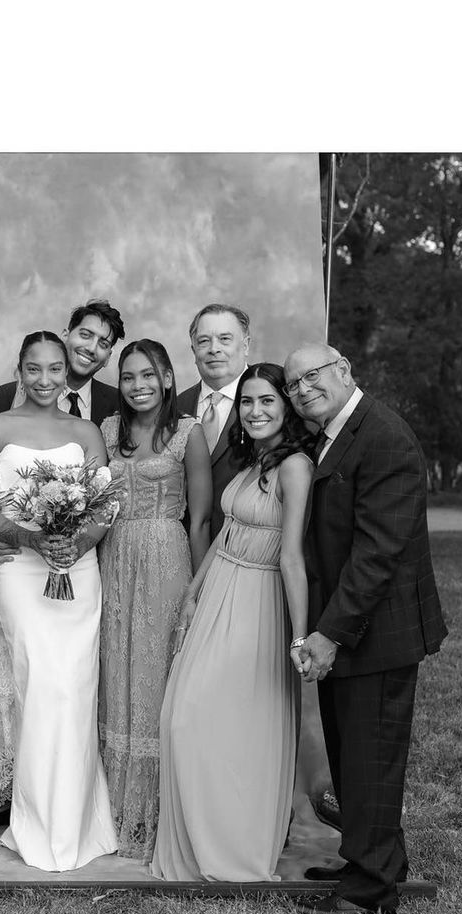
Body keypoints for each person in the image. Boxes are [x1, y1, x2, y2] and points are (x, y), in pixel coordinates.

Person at [283, 343, 447, 914]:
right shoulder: (335, 432)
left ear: (344, 369)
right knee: (354, 755)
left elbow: (378, 553)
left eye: (312, 376)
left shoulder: (384, 437)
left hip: (377, 633)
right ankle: (370, 859)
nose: (302, 389)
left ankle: (370, 890)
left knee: (371, 758)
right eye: (293, 384)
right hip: (354, 628)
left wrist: (329, 633)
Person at [151, 363, 314, 882]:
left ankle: (235, 850)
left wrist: (299, 636)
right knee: (183, 718)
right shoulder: (252, 462)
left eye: (267, 400)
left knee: (226, 724)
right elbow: (225, 536)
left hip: (257, 601)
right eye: (247, 401)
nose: (255, 411)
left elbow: (292, 556)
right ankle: (204, 842)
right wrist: (192, 595)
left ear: (287, 407)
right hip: (218, 589)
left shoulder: (295, 467)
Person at [0, 330, 118, 871]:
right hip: (18, 566)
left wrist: (76, 544)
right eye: (33, 369)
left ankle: (80, 824)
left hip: (76, 568)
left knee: (74, 687)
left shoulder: (86, 431)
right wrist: (32, 539)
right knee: (37, 685)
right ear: (19, 370)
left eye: (54, 369)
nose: (44, 379)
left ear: (66, 373)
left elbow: (104, 506)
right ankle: (34, 825)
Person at [97, 339, 212, 860]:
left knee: (155, 673)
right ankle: (113, 809)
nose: (138, 385)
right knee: (114, 671)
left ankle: (158, 813)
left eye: (148, 375)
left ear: (167, 378)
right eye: (128, 376)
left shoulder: (189, 433)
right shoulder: (108, 431)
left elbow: (201, 519)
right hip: (113, 556)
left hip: (166, 556)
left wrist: (198, 590)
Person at [173, 303, 250, 539]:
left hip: (248, 546)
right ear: (193, 349)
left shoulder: (272, 402)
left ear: (246, 345)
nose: (214, 349)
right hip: (184, 545)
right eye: (204, 341)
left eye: (225, 339)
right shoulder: (175, 408)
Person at [0, 298, 124, 424]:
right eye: (85, 335)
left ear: (108, 357)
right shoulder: (8, 394)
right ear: (65, 336)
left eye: (103, 344)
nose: (91, 348)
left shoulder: (119, 402)